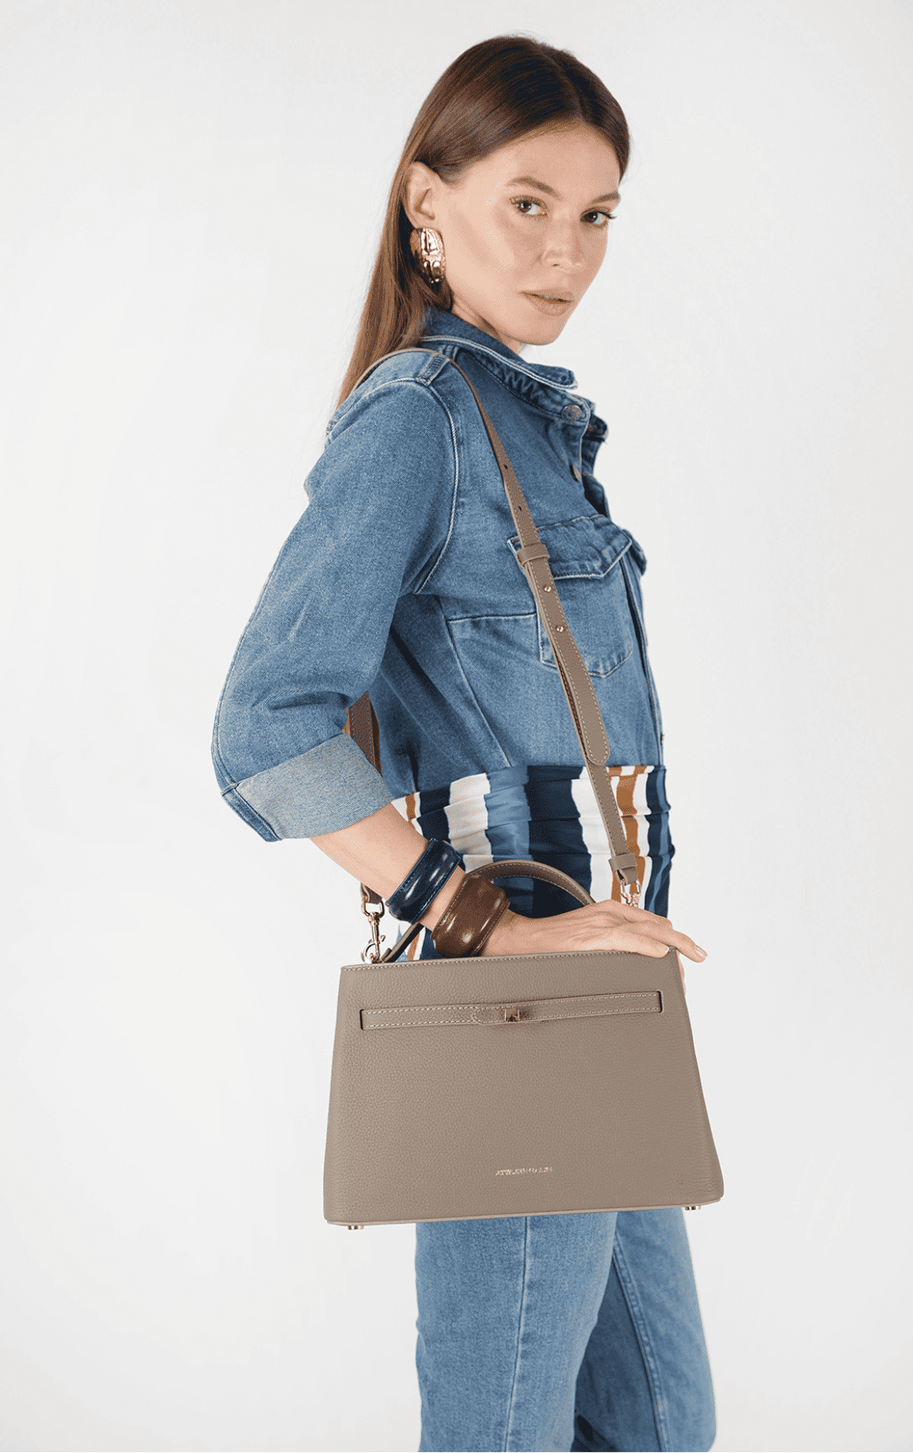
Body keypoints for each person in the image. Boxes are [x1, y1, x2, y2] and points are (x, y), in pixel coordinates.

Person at [212, 33, 716, 1453]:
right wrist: (473, 916)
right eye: (528, 203)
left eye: (597, 214)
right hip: (518, 1007)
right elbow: (262, 724)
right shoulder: (420, 417)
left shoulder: (528, 424)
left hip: (607, 992)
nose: (568, 252)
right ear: (427, 202)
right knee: (504, 1427)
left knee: (661, 1422)